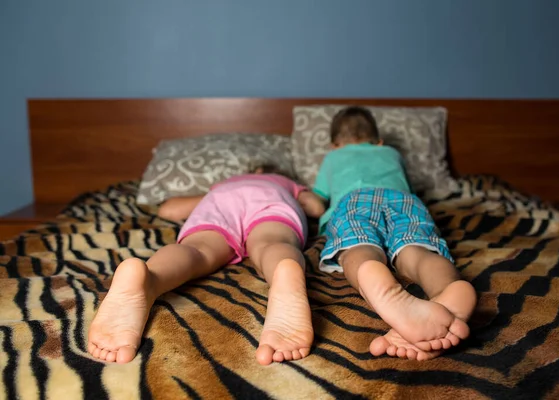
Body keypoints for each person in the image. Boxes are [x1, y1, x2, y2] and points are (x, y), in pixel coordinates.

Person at [87, 166, 325, 365]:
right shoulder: (285, 183)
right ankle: (282, 271)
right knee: (272, 243)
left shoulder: (222, 186)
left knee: (197, 250)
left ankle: (150, 278)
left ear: (254, 170)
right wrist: (302, 195)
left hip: (221, 203)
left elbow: (168, 209)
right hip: (271, 199)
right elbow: (316, 208)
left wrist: (211, 193)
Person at [313, 106, 477, 361]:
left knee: (358, 248)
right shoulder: (391, 153)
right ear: (378, 141)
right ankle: (447, 291)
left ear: (335, 144)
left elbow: (317, 199)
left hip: (355, 199)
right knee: (416, 250)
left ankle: (372, 272)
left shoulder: (333, 157)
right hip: (404, 200)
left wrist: (303, 200)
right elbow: (405, 185)